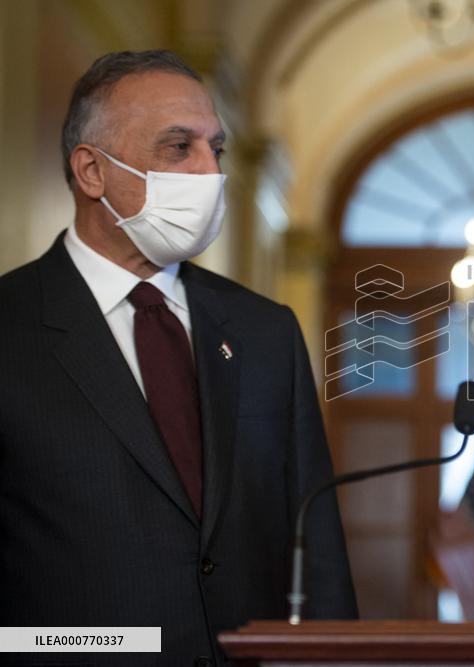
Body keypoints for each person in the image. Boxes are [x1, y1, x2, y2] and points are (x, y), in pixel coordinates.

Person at [0, 50, 357, 665]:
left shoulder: (266, 332)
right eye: (178, 147)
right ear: (91, 171)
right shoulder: (11, 326)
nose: (210, 172)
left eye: (215, 149)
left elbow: (317, 549)